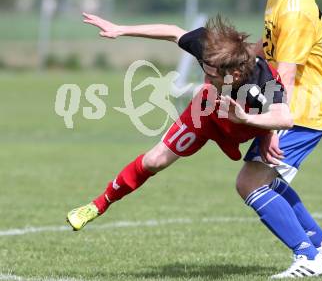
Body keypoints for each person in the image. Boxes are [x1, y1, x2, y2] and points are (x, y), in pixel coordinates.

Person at [66, 13, 293, 233]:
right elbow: (173, 32)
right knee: (154, 160)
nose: (207, 77)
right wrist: (122, 29)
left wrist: (262, 129)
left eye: (213, 75)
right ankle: (98, 205)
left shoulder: (262, 82)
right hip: (205, 113)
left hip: (241, 124)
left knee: (258, 172)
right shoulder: (211, 51)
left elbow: (285, 117)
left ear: (234, 74)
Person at [232, 0, 322, 278]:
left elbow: (288, 75)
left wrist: (275, 127)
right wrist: (234, 56)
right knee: (269, 176)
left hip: (301, 111)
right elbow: (270, 50)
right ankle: (320, 240)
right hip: (300, 108)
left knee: (250, 183)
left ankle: (308, 257)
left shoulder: (295, 10)